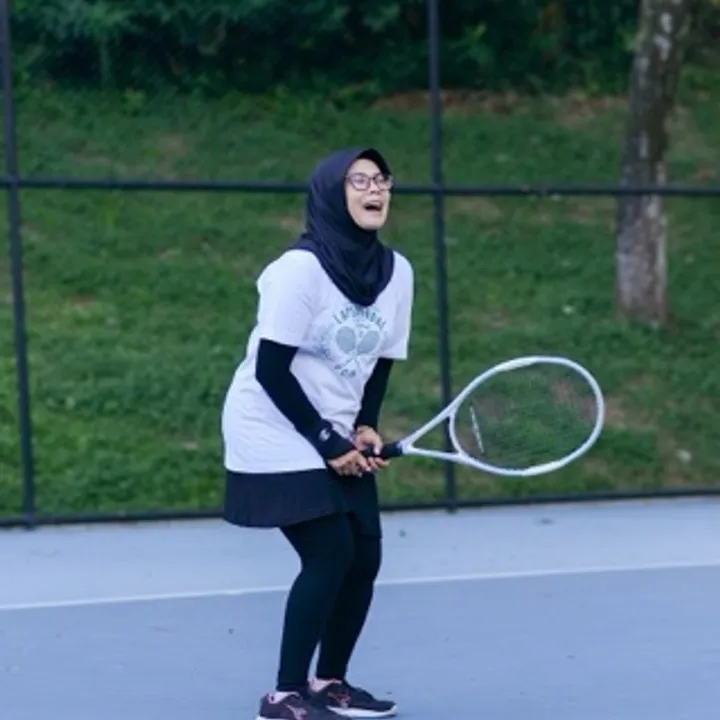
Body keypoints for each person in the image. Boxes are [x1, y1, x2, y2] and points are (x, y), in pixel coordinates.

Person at [221, 147, 414, 720]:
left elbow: (382, 361)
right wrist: (326, 441)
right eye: (359, 180)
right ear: (332, 192)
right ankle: (285, 695)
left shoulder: (397, 272)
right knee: (331, 553)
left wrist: (363, 424)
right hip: (273, 424)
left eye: (381, 179)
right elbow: (271, 369)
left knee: (365, 556)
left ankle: (331, 683)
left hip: (334, 425)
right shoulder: (298, 270)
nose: (375, 189)